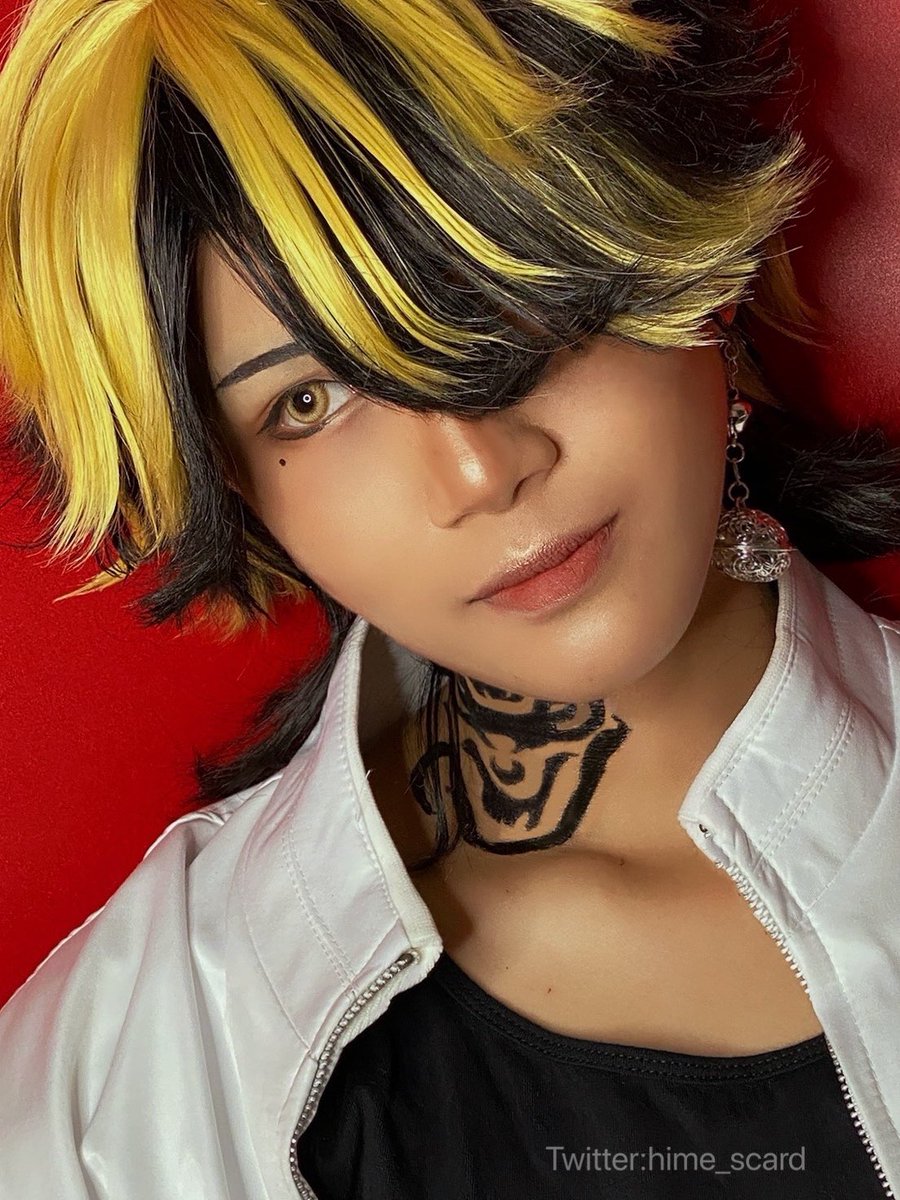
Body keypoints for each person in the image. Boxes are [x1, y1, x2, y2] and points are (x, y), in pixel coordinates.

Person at [1, 0, 899, 1197]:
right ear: (234, 484)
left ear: (688, 247)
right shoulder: (111, 1092)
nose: (479, 470)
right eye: (310, 401)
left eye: (491, 291)